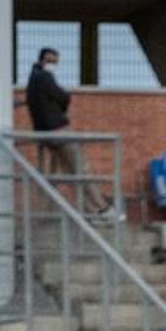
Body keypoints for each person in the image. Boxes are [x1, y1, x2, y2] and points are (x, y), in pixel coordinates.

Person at [24, 47, 112, 214]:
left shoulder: (33, 79)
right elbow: (63, 97)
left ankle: (47, 211)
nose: (52, 65)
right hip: (58, 130)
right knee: (81, 168)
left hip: (44, 133)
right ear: (41, 60)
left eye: (55, 62)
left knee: (65, 172)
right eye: (50, 61)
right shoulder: (44, 77)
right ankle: (101, 208)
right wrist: (61, 106)